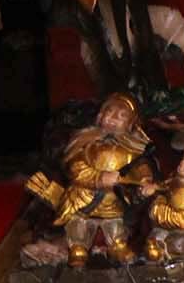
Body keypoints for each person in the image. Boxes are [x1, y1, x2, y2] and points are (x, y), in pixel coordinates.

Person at [51, 92, 155, 265]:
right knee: (79, 226)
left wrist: (145, 181)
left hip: (113, 204)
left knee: (115, 229)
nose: (113, 118)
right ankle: (78, 248)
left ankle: (118, 247)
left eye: (122, 116)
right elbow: (76, 167)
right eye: (110, 112)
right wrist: (99, 178)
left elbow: (140, 168)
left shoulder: (132, 150)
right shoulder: (85, 142)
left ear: (131, 124)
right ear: (100, 116)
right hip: (84, 200)